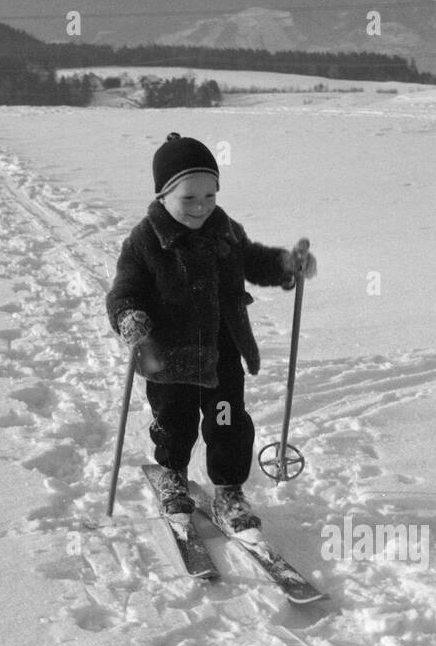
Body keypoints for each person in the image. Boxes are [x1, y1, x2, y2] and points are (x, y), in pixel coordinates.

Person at [105, 131, 316, 531]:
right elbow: (124, 292)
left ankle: (229, 489)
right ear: (163, 195)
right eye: (189, 198)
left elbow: (252, 260)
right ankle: (173, 474)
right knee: (174, 421)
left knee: (227, 422)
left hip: (222, 351)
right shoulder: (145, 241)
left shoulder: (225, 230)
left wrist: (285, 264)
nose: (201, 206)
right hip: (167, 355)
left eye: (210, 196)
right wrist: (129, 316)